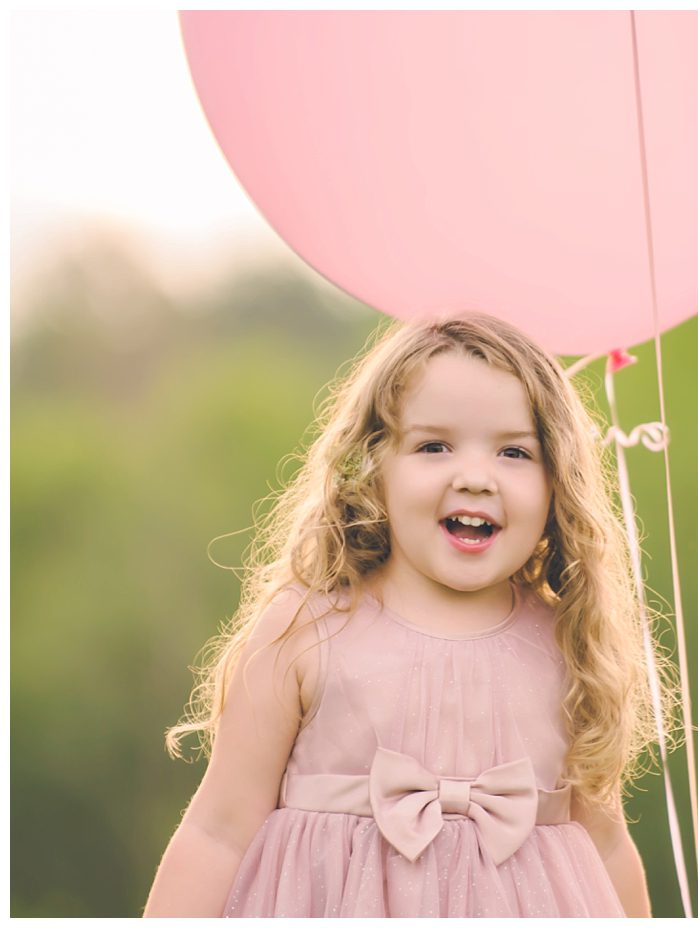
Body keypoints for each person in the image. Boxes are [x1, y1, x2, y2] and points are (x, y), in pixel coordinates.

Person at [144, 315, 671, 916]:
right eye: (434, 446)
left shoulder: (571, 643)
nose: (475, 477)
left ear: (559, 483)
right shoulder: (305, 630)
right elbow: (219, 831)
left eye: (515, 451)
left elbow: (604, 846)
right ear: (373, 468)